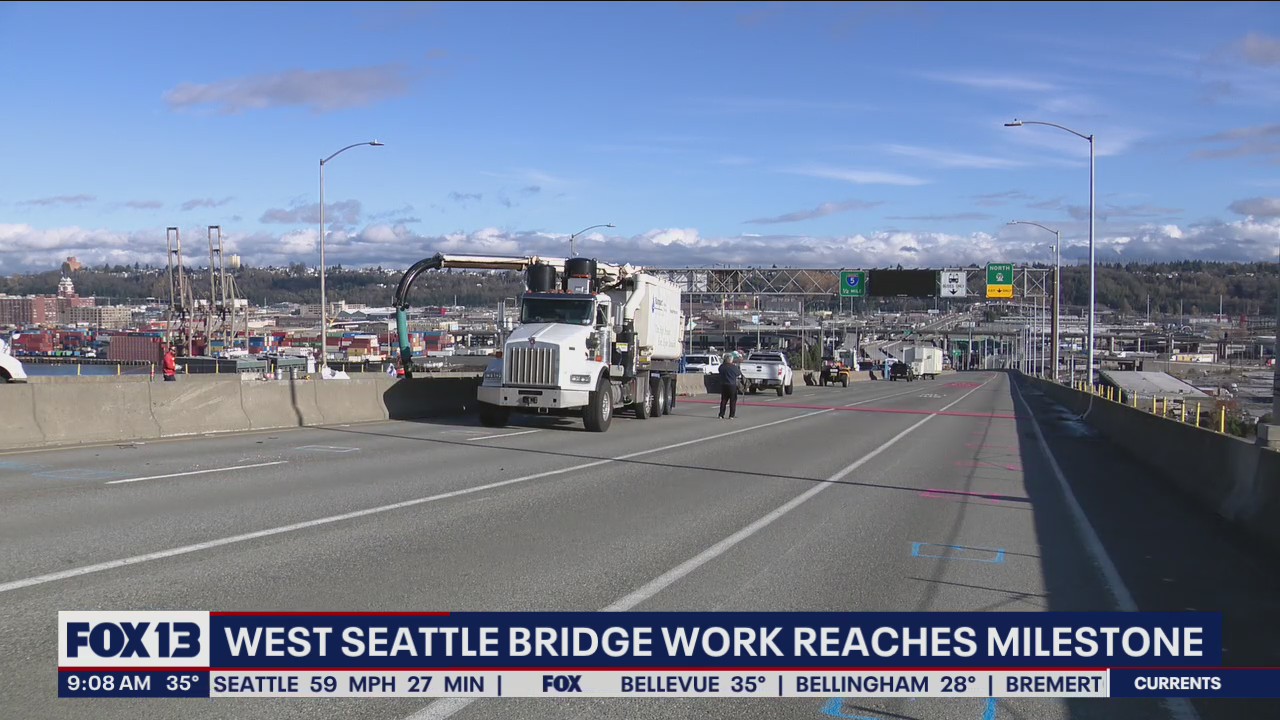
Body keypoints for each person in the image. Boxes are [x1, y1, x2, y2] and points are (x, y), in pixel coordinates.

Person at [717, 353, 742, 419]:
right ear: (731, 360)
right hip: (732, 385)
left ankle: (721, 414)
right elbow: (738, 374)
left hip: (724, 385)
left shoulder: (721, 366)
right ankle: (731, 415)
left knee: (724, 400)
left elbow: (719, 371)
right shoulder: (733, 367)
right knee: (733, 401)